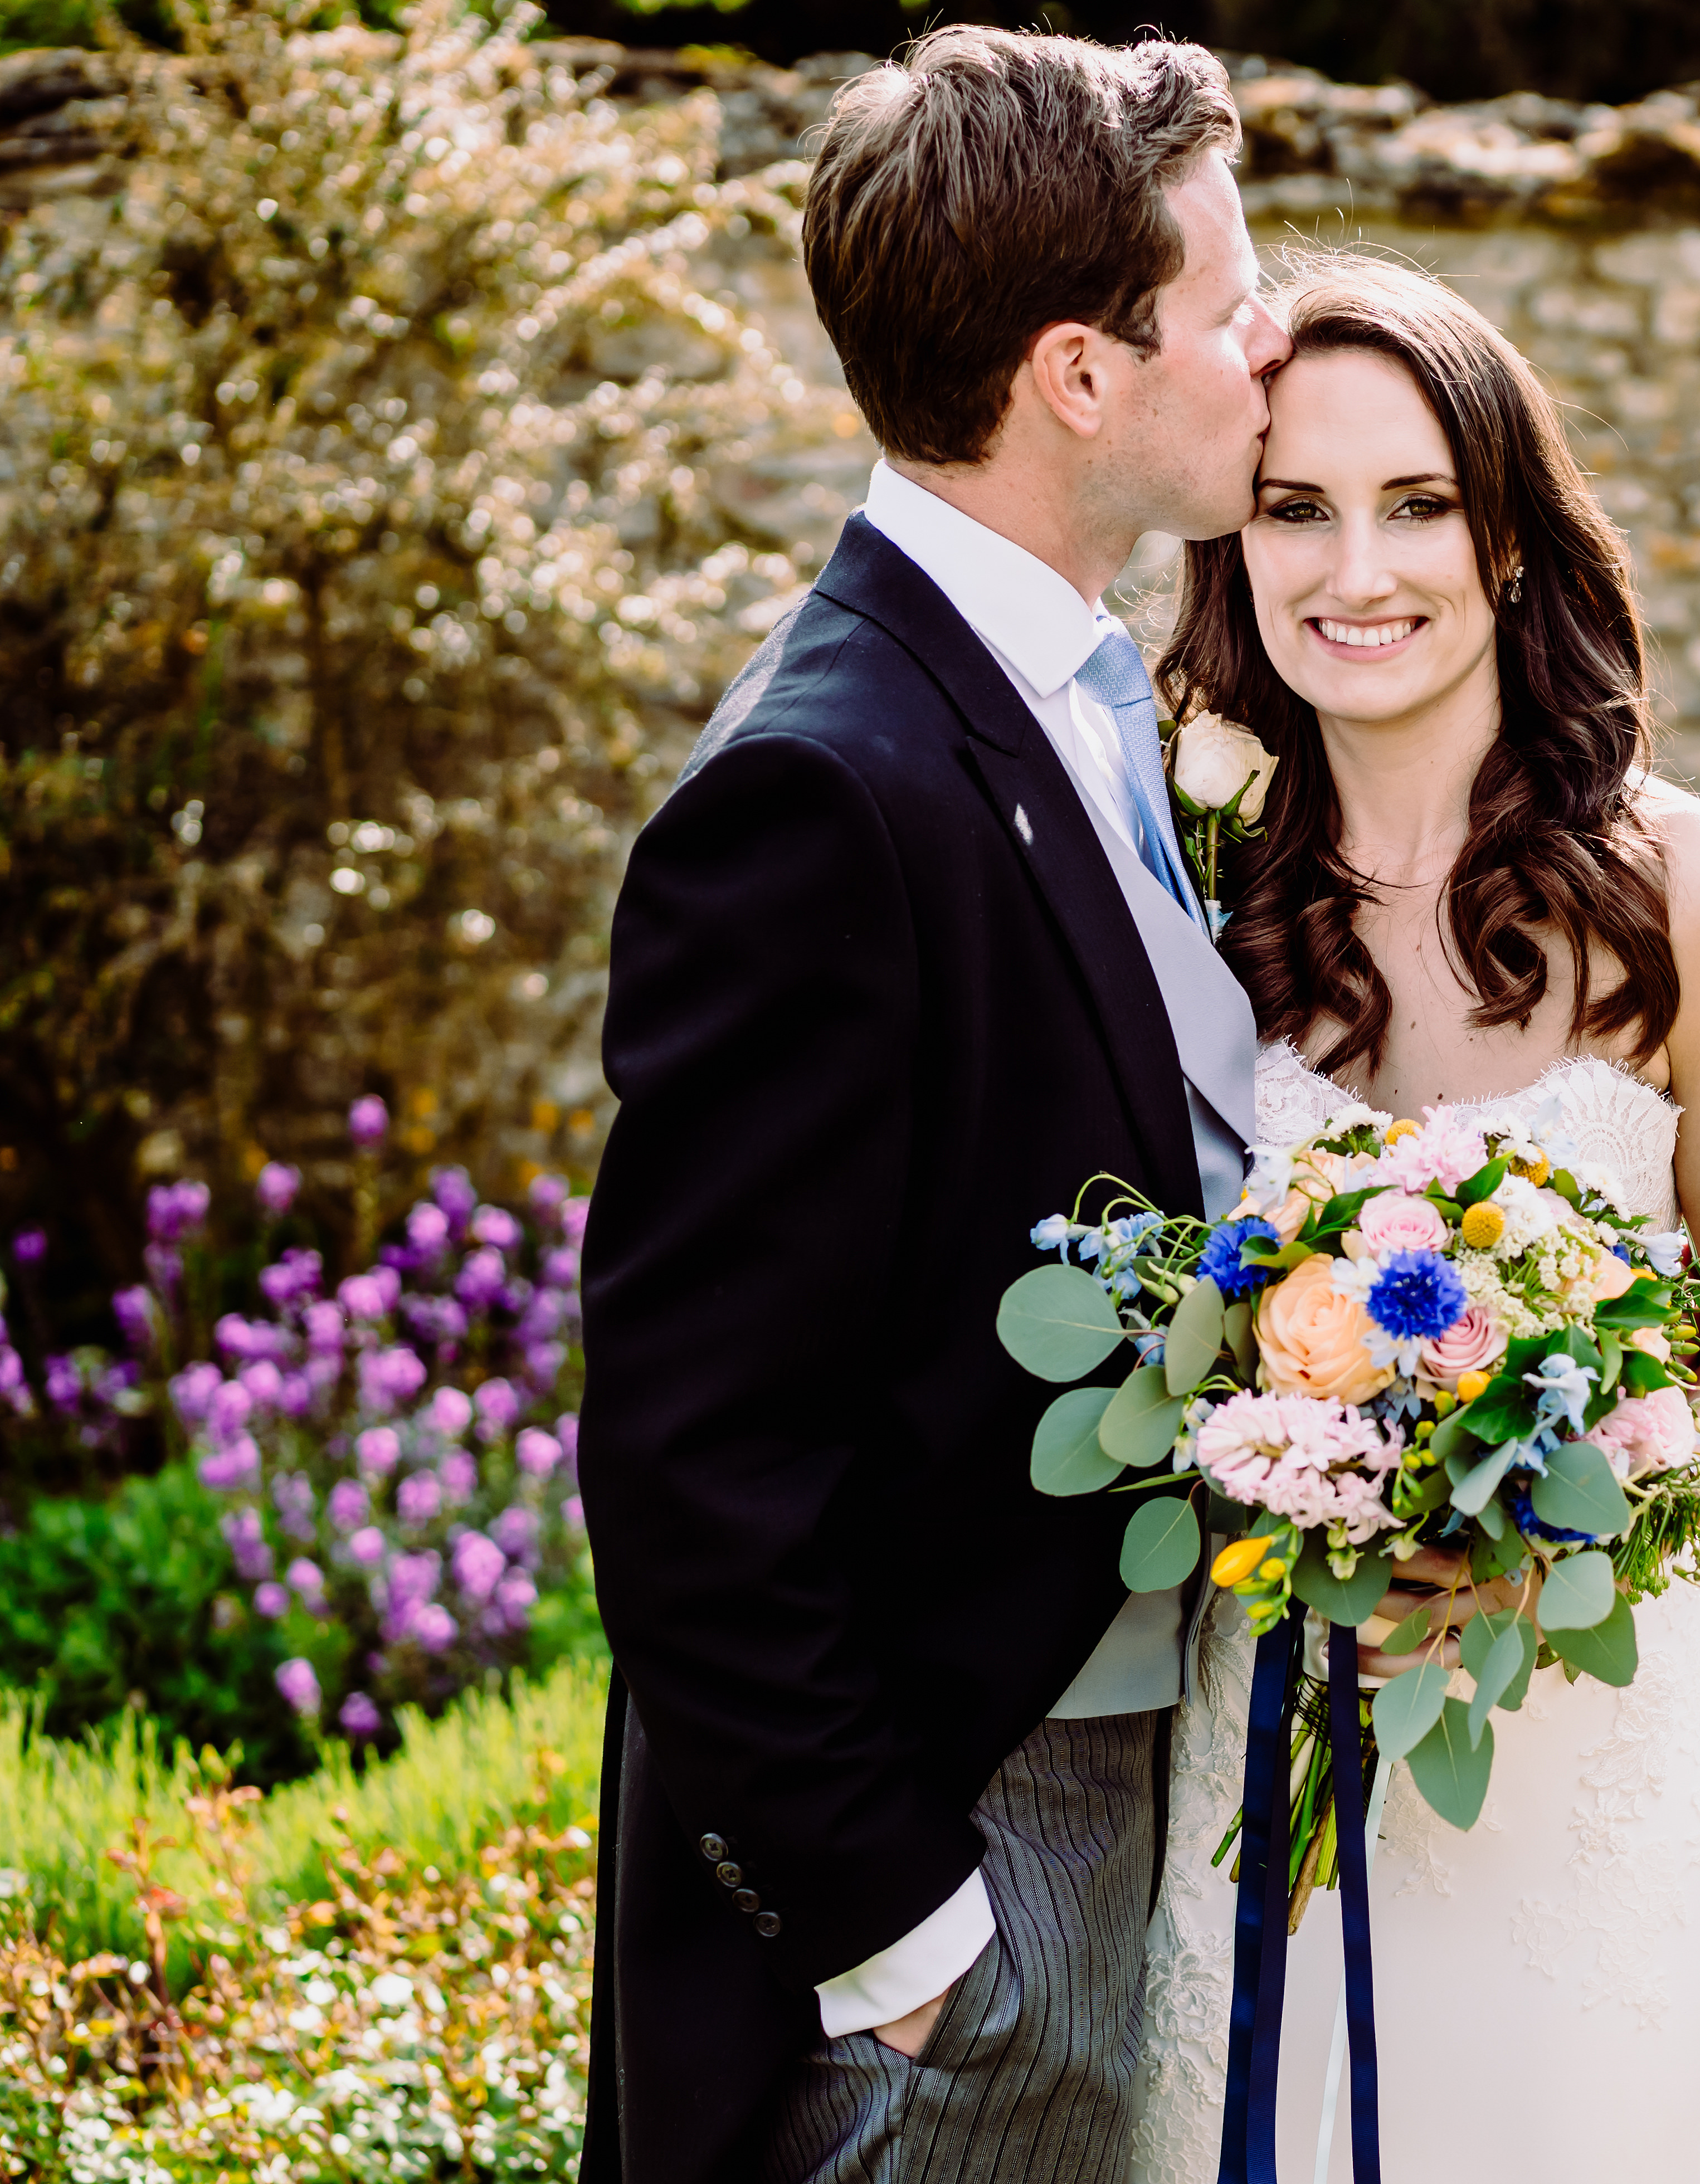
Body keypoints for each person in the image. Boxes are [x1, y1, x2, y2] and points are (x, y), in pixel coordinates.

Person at [574, 28, 1286, 2183]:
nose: (1272, 341)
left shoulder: (1071, 690)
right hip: (969, 1853)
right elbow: (692, 1457)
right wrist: (904, 1937)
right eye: (1230, 298)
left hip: (1127, 1783)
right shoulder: (822, 787)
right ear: (1080, 372)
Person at [1126, 258, 1700, 2182]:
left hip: (1579, 1766)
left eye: (1418, 502)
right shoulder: (1181, 911)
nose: (1357, 569)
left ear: (1510, 535)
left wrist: (1581, 1506)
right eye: (1298, 509)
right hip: (1250, 1748)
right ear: (1237, 547)